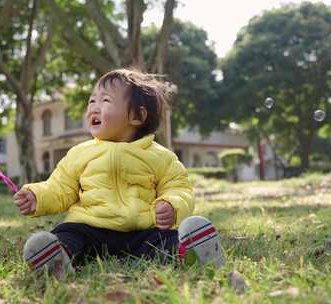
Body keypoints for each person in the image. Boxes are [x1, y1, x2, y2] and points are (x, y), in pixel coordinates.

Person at [14, 68, 224, 279]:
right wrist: (38, 196)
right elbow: (60, 187)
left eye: (104, 101)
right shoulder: (80, 153)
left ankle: (192, 252)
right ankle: (57, 258)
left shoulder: (160, 156)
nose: (94, 108)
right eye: (91, 101)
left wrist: (171, 204)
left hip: (142, 232)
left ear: (137, 116)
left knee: (165, 240)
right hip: (90, 228)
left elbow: (178, 187)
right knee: (68, 234)